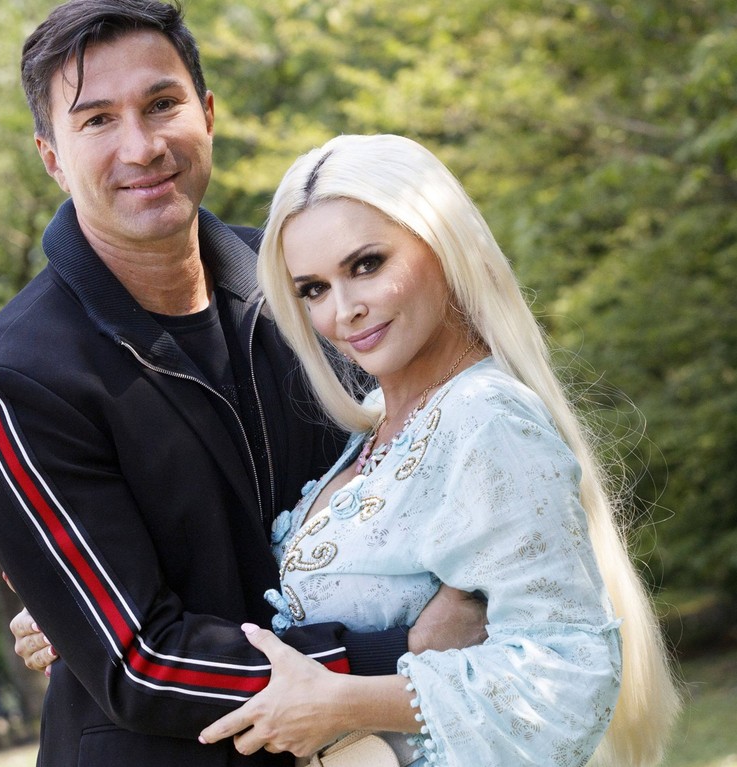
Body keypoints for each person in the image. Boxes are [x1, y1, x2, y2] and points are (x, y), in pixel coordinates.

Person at [0, 3, 484, 766]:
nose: (142, 146)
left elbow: (444, 467)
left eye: (161, 104)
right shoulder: (15, 378)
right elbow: (137, 660)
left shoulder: (303, 286)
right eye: (96, 120)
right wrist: (391, 653)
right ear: (52, 157)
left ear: (206, 114)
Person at [192, 134, 682, 766]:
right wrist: (90, 617)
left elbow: (568, 676)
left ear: (443, 243)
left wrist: (347, 703)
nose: (345, 310)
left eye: (367, 264)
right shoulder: (368, 435)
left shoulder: (485, 418)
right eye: (313, 288)